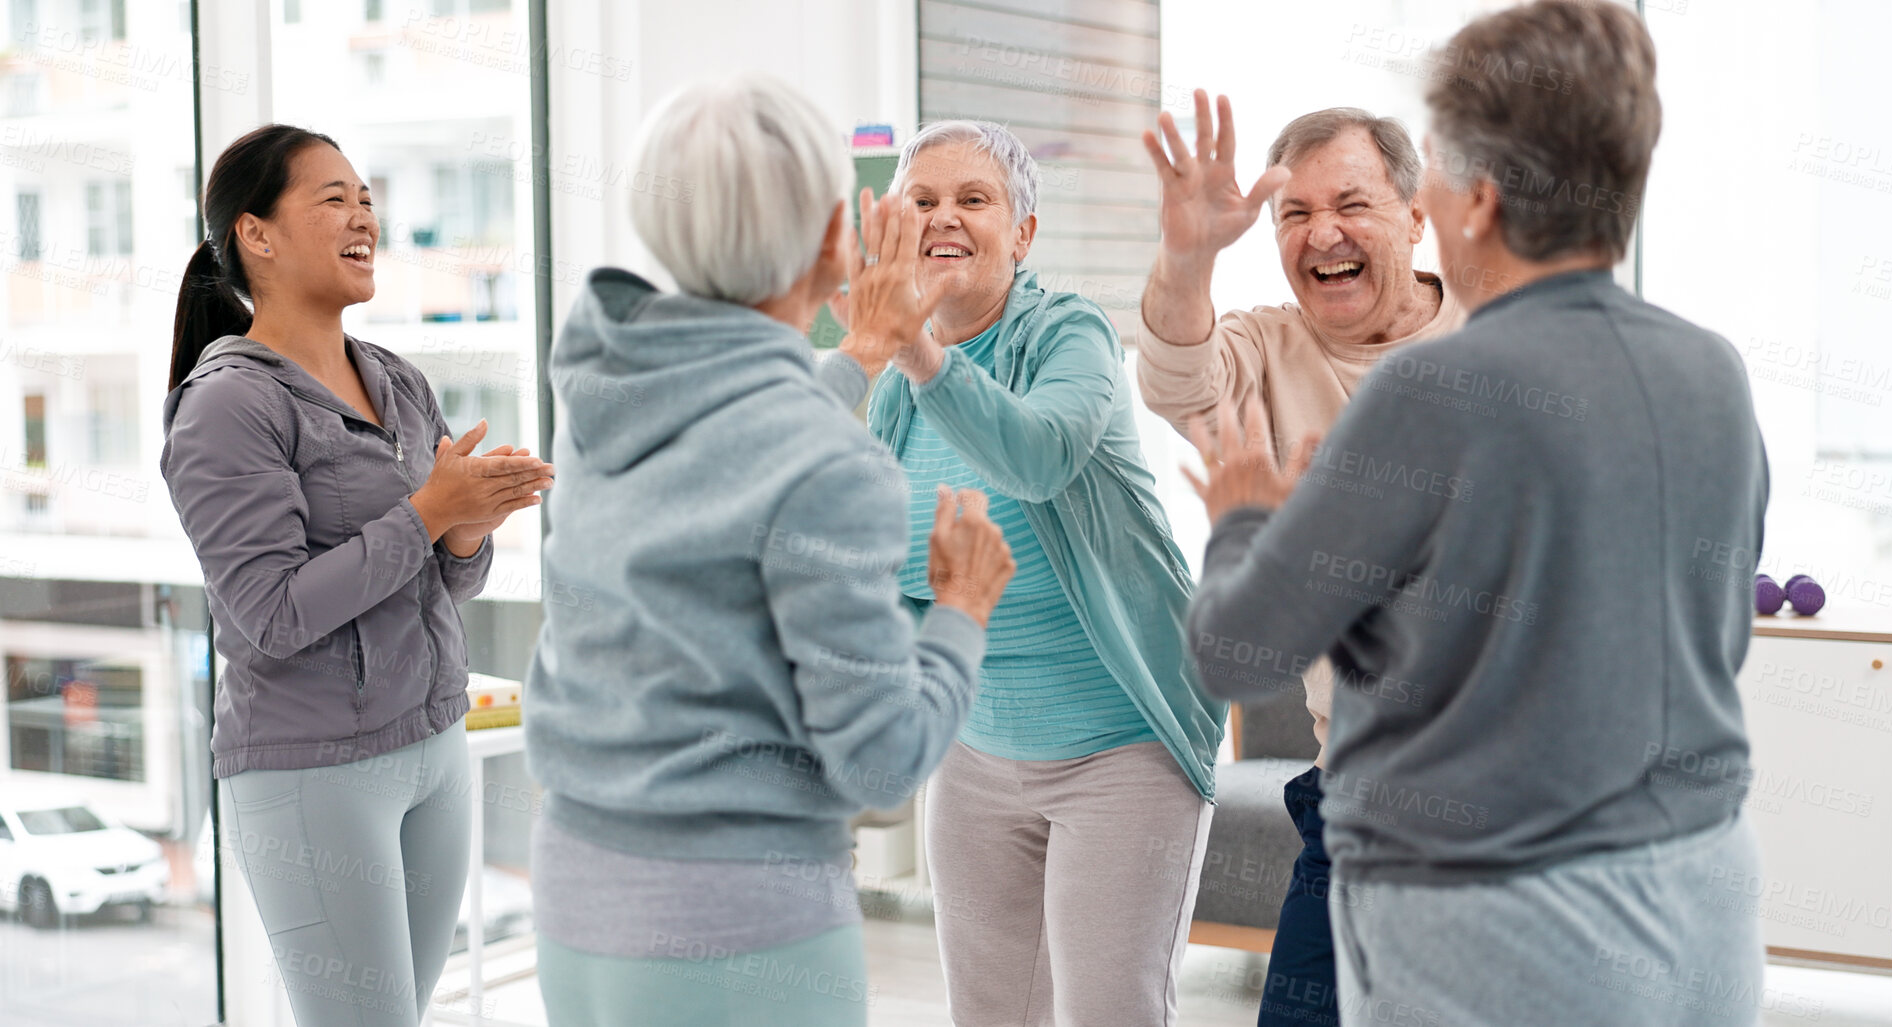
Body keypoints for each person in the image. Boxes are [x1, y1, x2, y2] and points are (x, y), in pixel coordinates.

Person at [1185, 2, 1768, 1024]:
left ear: (1480, 202)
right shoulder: (1710, 373)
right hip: (1706, 894)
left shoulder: (1430, 393)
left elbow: (1234, 652)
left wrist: (1245, 520)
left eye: (1438, 176)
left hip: (1496, 918)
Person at [521, 75, 1015, 1027]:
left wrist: (856, 357)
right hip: (737, 923)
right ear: (838, 239)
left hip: (575, 894)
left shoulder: (606, 387)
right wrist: (960, 610)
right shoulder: (829, 463)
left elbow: (739, 453)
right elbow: (879, 762)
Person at [161, 125, 554, 1027]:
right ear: (255, 235)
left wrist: (465, 531)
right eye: (333, 199)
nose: (362, 218)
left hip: (432, 745)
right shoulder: (227, 403)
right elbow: (271, 613)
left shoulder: (398, 379)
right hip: (313, 770)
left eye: (367, 200)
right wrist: (424, 514)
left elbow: (441, 590)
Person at [863, 120, 1225, 1026]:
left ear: (1022, 236)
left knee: (1108, 1011)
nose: (945, 218)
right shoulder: (889, 389)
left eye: (973, 200)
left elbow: (1039, 457)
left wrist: (914, 347)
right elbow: (871, 564)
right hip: (975, 748)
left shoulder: (1073, 336)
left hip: (1122, 745)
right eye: (923, 201)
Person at [1136, 93, 1467, 1026]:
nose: (1322, 231)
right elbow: (1174, 377)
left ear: (1414, 214)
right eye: (1295, 214)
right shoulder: (1264, 345)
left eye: (1350, 204)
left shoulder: (1500, 334)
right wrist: (1190, 251)